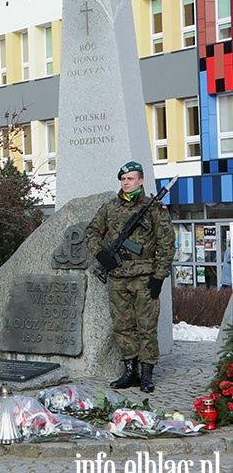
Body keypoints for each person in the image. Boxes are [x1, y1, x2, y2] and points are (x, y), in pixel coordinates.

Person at [85, 161, 175, 393]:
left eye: (131, 178)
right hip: (118, 277)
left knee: (146, 326)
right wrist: (100, 253)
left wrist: (159, 276)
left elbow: (166, 244)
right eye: (123, 179)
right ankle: (130, 371)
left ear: (141, 180)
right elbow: (92, 231)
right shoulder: (110, 208)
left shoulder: (154, 208)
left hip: (145, 277)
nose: (126, 182)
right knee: (123, 326)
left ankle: (146, 373)